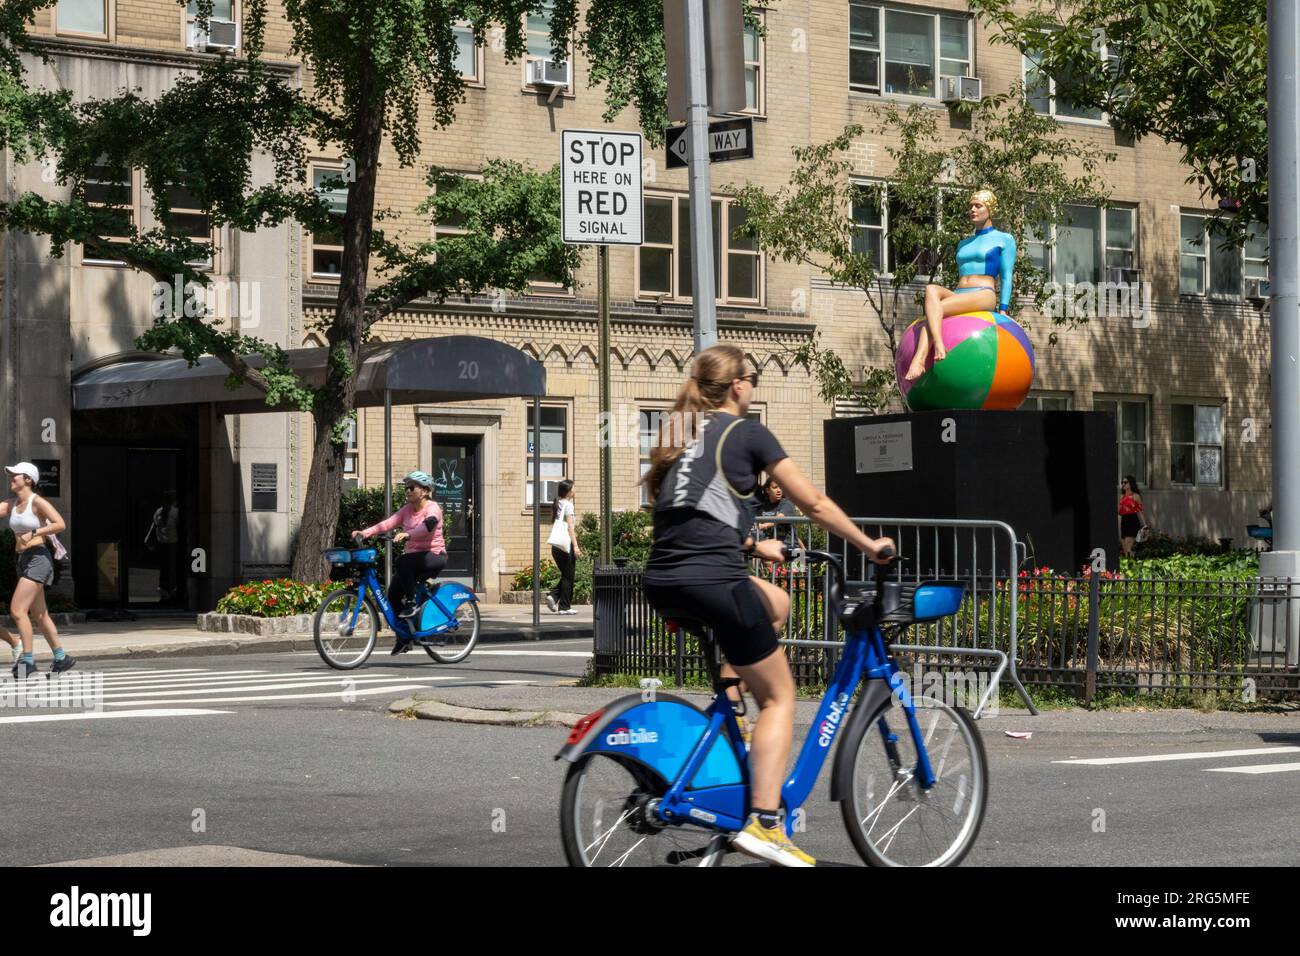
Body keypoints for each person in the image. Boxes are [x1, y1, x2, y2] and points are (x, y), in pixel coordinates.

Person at [640, 344, 895, 867]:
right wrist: (870, 545)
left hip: (663, 578)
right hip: (713, 579)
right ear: (737, 386)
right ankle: (765, 823)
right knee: (781, 695)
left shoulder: (676, 434)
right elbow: (815, 504)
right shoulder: (748, 433)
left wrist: (757, 546)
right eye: (751, 378)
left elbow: (691, 517)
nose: (753, 386)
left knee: (775, 602)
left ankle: (733, 707)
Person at [906, 189, 1017, 381]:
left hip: (983, 293)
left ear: (990, 209)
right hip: (960, 293)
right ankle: (937, 342)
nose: (972, 210)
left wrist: (1004, 309)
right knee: (931, 289)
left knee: (935, 312)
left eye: (978, 206)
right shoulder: (964, 243)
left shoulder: (1004, 239)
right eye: (971, 206)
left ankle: (922, 357)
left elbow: (1007, 276)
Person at [353, 470, 446, 654]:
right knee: (393, 594)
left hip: (434, 555)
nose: (408, 491)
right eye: (406, 487)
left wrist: (408, 534)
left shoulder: (432, 508)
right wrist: (365, 533)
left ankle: (412, 603)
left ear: (425, 491)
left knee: (402, 562)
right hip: (415, 559)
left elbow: (428, 526)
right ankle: (404, 637)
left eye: (412, 487)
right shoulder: (407, 510)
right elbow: (387, 524)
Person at [0, 462, 75, 678]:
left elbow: (60, 523)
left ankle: (28, 660)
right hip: (23, 560)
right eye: (11, 475)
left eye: (16, 475)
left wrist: (34, 532)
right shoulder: (12, 504)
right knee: (40, 614)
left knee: (17, 611)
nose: (11, 478)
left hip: (38, 559)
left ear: (28, 479)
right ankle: (61, 658)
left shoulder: (37, 502)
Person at [545, 479, 581, 615]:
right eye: (574, 488)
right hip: (566, 545)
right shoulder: (569, 505)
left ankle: (554, 596)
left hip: (556, 546)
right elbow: (570, 527)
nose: (575, 490)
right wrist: (576, 546)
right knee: (569, 576)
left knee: (567, 575)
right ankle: (565, 607)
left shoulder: (558, 503)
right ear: (569, 491)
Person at [754, 476, 801, 548]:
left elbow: (780, 518)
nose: (779, 490)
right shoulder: (763, 506)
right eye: (775, 487)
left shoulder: (787, 503)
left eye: (781, 487)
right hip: (770, 545)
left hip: (787, 546)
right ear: (768, 490)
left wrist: (765, 525)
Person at [151, 490, 180, 602]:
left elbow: (155, 526)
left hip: (161, 544)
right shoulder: (176, 512)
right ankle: (172, 590)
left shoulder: (158, 512)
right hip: (173, 544)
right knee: (173, 567)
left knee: (164, 568)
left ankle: (164, 590)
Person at [1118, 475, 1149, 557]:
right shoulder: (1122, 496)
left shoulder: (1136, 496)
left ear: (1130, 484)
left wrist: (1145, 525)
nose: (1123, 484)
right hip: (1124, 521)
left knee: (1128, 546)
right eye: (1122, 482)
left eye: (1125, 482)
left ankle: (1130, 565)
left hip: (1132, 521)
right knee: (1125, 548)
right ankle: (1131, 562)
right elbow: (1120, 511)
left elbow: (1140, 511)